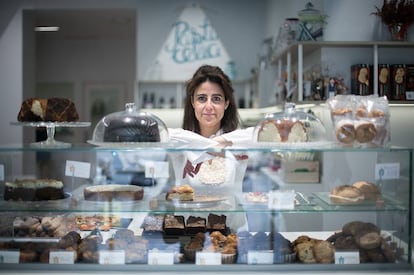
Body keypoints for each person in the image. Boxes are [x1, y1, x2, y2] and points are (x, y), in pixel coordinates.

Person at [168, 65, 253, 178]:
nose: (209, 106)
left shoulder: (237, 140)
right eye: (202, 98)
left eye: (216, 99)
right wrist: (212, 147)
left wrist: (218, 143)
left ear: (226, 103)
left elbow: (258, 134)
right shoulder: (182, 140)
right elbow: (160, 134)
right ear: (193, 102)